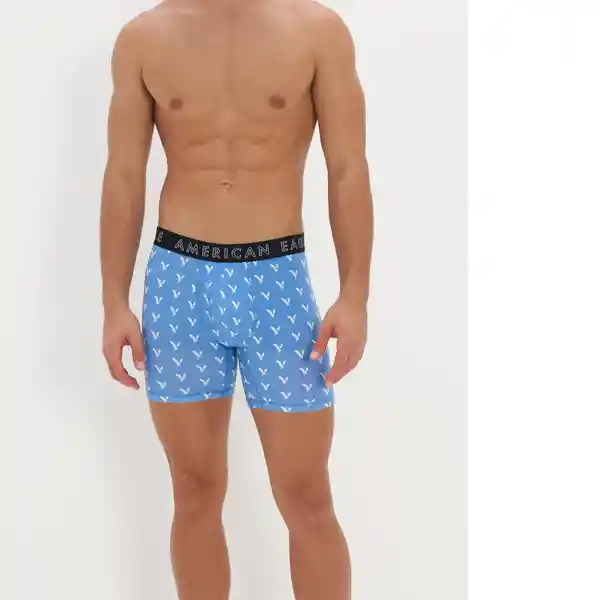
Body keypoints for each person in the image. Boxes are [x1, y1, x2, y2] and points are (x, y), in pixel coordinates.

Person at [100, 0, 373, 598]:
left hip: (277, 282)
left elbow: (348, 168)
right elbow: (123, 173)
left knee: (306, 494)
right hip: (179, 285)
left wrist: (354, 294)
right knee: (194, 490)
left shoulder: (317, 31)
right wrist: (113, 300)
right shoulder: (144, 37)